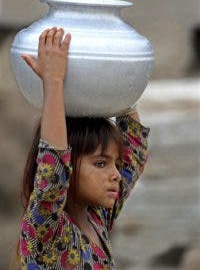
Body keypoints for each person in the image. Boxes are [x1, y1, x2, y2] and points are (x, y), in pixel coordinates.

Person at [16, 27, 150, 269]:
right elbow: (52, 173)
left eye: (115, 164)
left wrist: (117, 74)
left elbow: (135, 153)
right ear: (68, 165)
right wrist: (54, 82)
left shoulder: (97, 217)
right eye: (100, 163)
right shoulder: (46, 228)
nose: (116, 175)